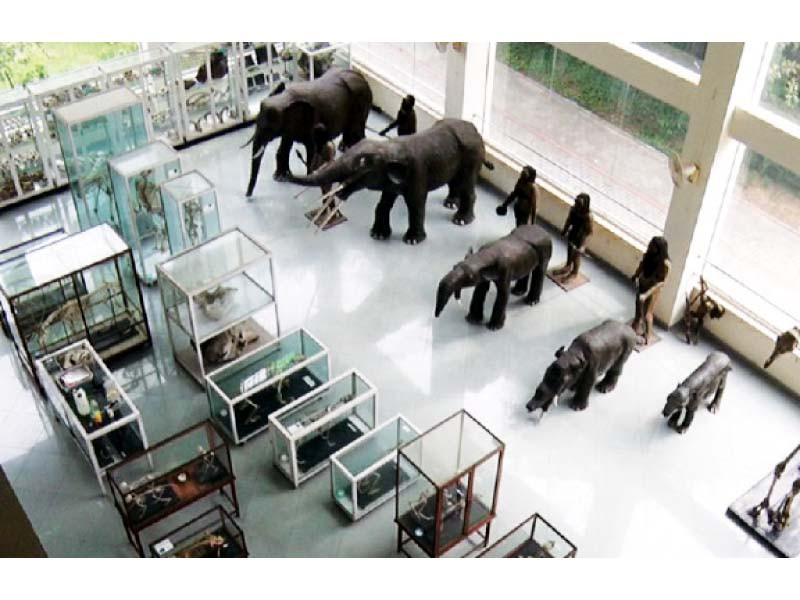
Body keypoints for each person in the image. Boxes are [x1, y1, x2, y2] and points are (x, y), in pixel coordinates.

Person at [631, 236, 671, 346]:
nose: (650, 248)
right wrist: (636, 275)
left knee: (647, 314)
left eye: (653, 247)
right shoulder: (648, 255)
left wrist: (647, 294)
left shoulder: (665, 264)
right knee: (638, 312)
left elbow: (662, 282)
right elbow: (642, 264)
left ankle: (648, 335)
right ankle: (632, 331)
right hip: (643, 284)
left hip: (653, 290)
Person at [550, 193, 593, 283]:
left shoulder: (588, 216)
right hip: (573, 233)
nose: (577, 205)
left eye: (579, 203)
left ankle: (574, 272)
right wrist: (565, 230)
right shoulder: (573, 209)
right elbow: (569, 220)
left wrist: (583, 246)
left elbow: (589, 232)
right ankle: (568, 266)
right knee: (570, 251)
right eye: (576, 202)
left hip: (581, 237)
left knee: (576, 256)